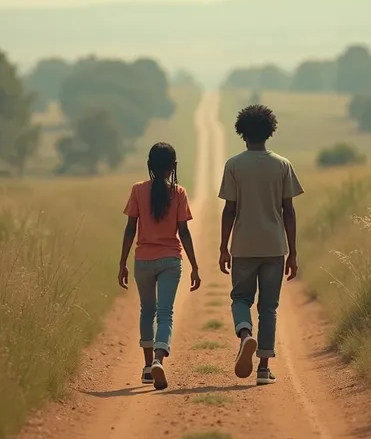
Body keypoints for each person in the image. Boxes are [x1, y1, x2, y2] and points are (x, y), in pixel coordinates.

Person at [218, 104, 304, 385]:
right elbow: (288, 211)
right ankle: (264, 368)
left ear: (242, 133)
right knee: (269, 306)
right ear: (270, 132)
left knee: (241, 298)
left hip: (243, 246)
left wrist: (223, 246)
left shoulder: (233, 165)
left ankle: (246, 335)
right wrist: (292, 252)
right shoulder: (282, 165)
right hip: (274, 246)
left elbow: (229, 209)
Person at [118, 142, 201, 390]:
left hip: (143, 259)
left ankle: (146, 369)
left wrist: (122, 262)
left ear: (150, 166)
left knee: (147, 310)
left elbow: (130, 228)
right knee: (165, 313)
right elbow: (184, 233)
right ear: (173, 166)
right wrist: (195, 266)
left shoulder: (137, 190)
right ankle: (158, 360)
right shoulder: (179, 193)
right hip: (170, 261)